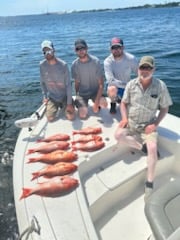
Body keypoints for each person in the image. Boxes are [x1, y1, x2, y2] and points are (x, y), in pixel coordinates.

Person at [114, 56, 173, 200]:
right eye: (142, 68)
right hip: (132, 123)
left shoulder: (160, 86)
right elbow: (123, 103)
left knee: (153, 148)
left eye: (148, 68)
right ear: (137, 69)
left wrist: (155, 125)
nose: (145, 71)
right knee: (118, 135)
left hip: (149, 125)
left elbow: (165, 108)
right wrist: (124, 119)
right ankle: (141, 147)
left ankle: (149, 183)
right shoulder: (131, 85)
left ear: (154, 70)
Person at [71, 39, 107, 119]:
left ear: (87, 48)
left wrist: (97, 102)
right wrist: (77, 96)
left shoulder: (96, 61)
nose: (81, 51)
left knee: (104, 104)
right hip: (82, 94)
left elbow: (101, 84)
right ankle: (82, 105)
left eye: (82, 48)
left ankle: (96, 104)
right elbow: (76, 82)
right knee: (83, 115)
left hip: (95, 92)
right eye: (78, 49)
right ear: (75, 51)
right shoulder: (74, 65)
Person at [40, 40, 75, 122]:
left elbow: (68, 86)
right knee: (50, 119)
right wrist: (45, 96)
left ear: (53, 50)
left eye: (49, 50)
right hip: (52, 98)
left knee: (71, 117)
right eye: (44, 52)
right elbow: (42, 83)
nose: (47, 53)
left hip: (64, 97)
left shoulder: (63, 65)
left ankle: (68, 105)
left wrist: (69, 103)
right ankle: (57, 107)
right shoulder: (42, 65)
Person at [104, 37, 138, 114]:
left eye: (118, 47)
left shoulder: (131, 58)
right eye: (113, 47)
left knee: (131, 109)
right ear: (110, 49)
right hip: (115, 87)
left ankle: (121, 99)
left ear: (123, 47)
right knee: (111, 88)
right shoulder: (107, 61)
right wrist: (128, 85)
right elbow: (110, 80)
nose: (116, 50)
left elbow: (139, 74)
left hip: (127, 87)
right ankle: (113, 103)